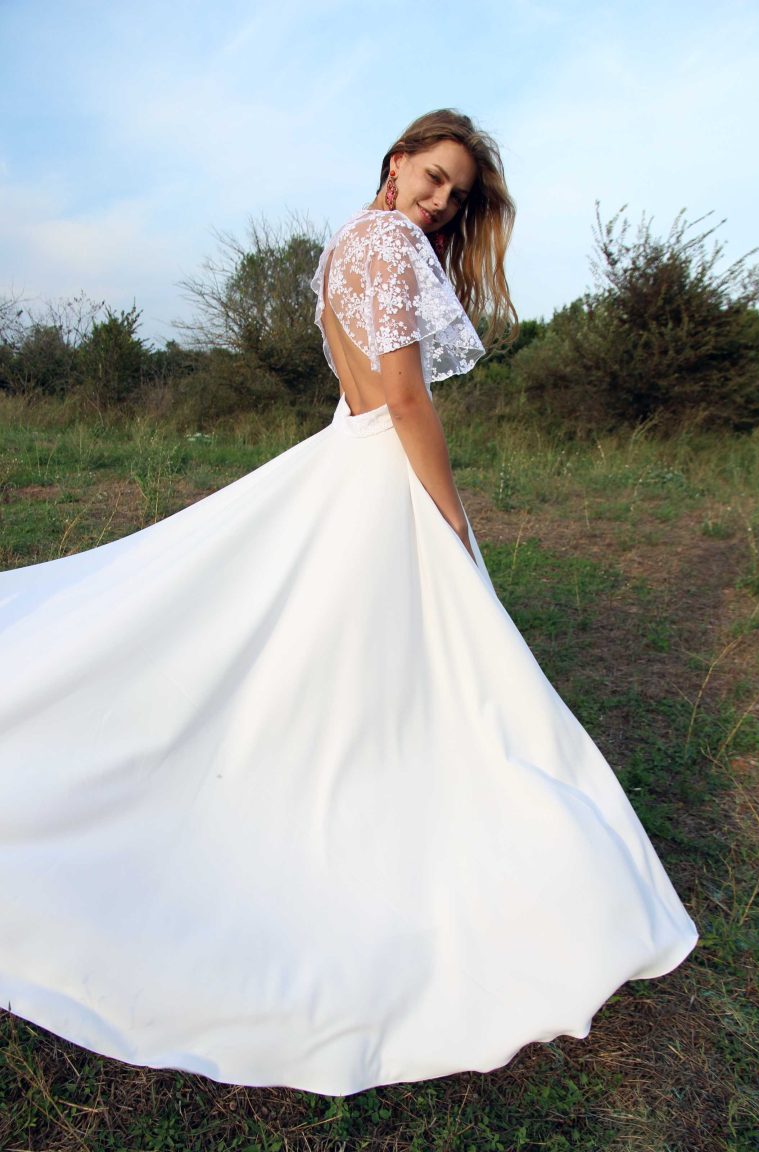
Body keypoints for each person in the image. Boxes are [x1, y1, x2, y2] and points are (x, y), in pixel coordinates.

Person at [0, 109, 697, 1098]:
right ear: (396, 162)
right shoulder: (383, 242)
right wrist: (449, 517)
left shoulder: (349, 242)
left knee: (361, 667)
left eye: (456, 192)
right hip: (378, 474)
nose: (441, 199)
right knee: (421, 673)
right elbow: (404, 401)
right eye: (434, 175)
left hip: (347, 458)